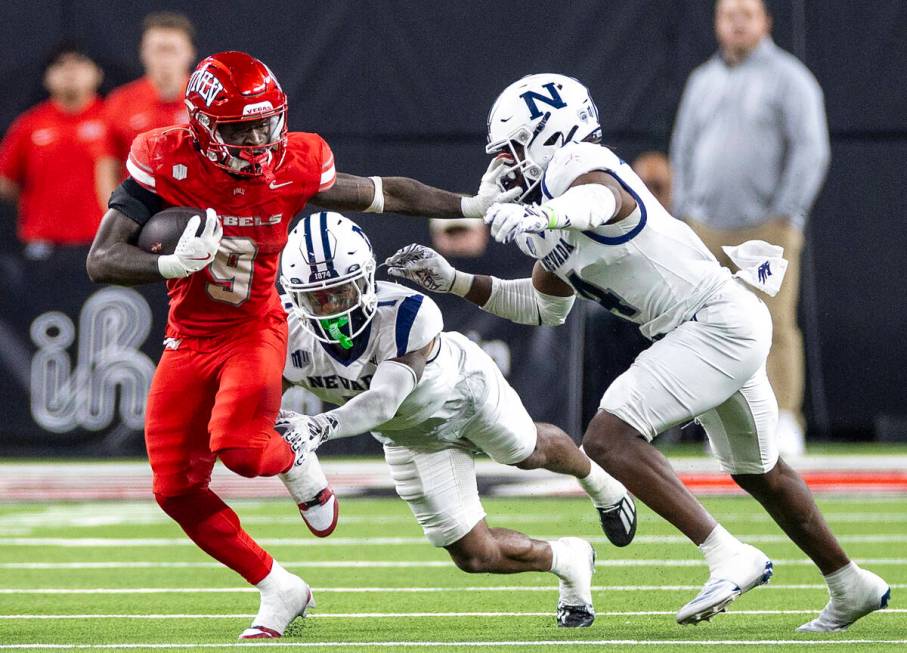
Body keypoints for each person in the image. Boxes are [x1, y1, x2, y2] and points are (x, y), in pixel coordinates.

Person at [387, 73, 889, 633]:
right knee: (760, 471)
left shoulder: (579, 167)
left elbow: (602, 201)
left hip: (712, 322)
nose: (505, 162)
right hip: (710, 327)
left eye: (513, 147)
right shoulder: (545, 213)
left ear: (554, 134)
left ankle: (727, 554)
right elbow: (543, 307)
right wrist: (454, 280)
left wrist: (542, 216)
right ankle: (850, 583)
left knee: (607, 438)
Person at [85, 51, 524, 640]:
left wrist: (472, 205)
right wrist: (165, 260)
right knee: (174, 489)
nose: (257, 139)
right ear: (201, 125)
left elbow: (385, 193)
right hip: (188, 337)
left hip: (254, 328)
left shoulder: (294, 160)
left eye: (265, 123)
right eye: (240, 128)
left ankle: (295, 457)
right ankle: (279, 588)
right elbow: (102, 259)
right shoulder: (163, 158)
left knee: (240, 449)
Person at [275, 211, 637, 628]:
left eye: (341, 292)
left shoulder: (406, 311)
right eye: (316, 298)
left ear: (367, 278)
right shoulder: (281, 330)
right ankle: (569, 558)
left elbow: (385, 399)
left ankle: (602, 484)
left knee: (527, 451)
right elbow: (261, 410)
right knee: (475, 556)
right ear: (292, 296)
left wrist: (319, 427)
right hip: (412, 437)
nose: (332, 309)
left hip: (464, 391)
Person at [670, 0, 831, 457]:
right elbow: (682, 148)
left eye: (747, 13)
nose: (737, 22)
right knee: (708, 326)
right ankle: (723, 420)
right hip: (704, 230)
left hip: (765, 230)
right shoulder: (703, 80)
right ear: (718, 23)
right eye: (729, 14)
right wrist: (685, 211)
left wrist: (786, 214)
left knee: (774, 324)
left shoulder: (789, 78)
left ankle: (783, 420)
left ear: (766, 22)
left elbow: (810, 150)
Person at [0, 44, 109, 257]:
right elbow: (5, 180)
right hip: (44, 243)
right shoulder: (29, 125)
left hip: (102, 240)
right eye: (60, 65)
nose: (70, 71)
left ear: (98, 74)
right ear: (46, 78)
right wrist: (34, 201)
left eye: (79, 62)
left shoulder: (113, 119)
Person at [100, 12, 196, 177]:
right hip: (139, 200)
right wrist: (112, 203)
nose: (165, 58)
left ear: (190, 53)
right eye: (158, 49)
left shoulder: (210, 100)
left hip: (195, 201)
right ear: (143, 52)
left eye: (172, 49)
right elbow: (107, 163)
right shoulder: (121, 101)